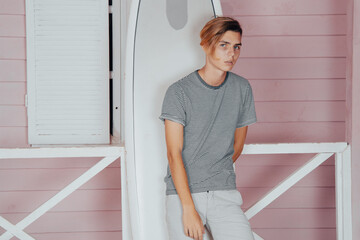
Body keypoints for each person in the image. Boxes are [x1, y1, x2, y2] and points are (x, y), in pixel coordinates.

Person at [159, 16, 257, 240]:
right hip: (183, 196)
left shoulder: (242, 89)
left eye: (236, 47)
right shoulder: (178, 93)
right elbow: (174, 154)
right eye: (223, 45)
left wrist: (214, 171)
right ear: (205, 44)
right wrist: (188, 208)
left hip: (224, 194)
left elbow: (237, 145)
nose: (231, 54)